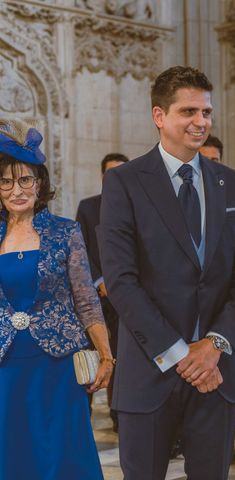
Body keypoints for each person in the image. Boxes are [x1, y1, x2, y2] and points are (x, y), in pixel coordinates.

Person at [98, 66, 235, 480]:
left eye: (206, 112)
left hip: (216, 371)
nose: (201, 122)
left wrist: (214, 344)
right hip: (151, 371)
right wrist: (180, 353)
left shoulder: (231, 183)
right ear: (159, 116)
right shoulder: (125, 183)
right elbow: (121, 281)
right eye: (189, 111)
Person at [0, 118, 113, 479]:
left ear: (39, 183)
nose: (16, 189)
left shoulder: (65, 231)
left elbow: (86, 301)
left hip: (58, 364)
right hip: (6, 364)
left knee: (61, 454)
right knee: (12, 451)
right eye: (6, 181)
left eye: (25, 179)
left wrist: (106, 355)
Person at [76, 152, 128, 429]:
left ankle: (120, 415)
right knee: (91, 358)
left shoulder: (138, 206)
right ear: (102, 175)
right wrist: (99, 281)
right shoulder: (88, 207)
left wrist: (121, 282)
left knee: (124, 358)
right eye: (111, 172)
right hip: (93, 298)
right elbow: (81, 249)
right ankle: (82, 415)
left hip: (126, 299)